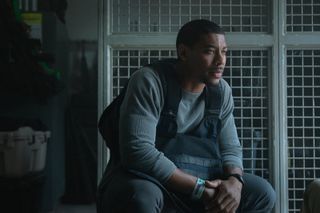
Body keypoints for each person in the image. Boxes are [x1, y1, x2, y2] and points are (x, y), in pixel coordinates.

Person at [97, 19, 276, 213]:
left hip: (200, 177)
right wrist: (199, 188)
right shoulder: (150, 81)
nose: (220, 61)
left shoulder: (221, 91)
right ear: (183, 52)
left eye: (224, 51)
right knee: (140, 195)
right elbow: (138, 152)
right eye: (209, 51)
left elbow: (230, 148)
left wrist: (235, 182)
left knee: (262, 192)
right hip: (150, 179)